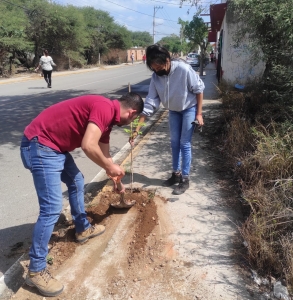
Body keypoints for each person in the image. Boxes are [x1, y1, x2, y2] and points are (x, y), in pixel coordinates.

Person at [20, 92, 144, 297]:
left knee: (77, 181)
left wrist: (117, 181)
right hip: (40, 144)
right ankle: (36, 270)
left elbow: (105, 156)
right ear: (132, 113)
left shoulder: (107, 122)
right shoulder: (103, 107)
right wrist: (109, 167)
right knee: (51, 209)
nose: (132, 122)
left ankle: (82, 228)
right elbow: (88, 145)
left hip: (54, 147)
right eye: (134, 119)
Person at [132, 44, 205, 195]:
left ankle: (185, 179)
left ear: (167, 60)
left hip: (189, 109)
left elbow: (199, 89)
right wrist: (136, 130)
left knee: (184, 143)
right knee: (174, 143)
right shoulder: (155, 77)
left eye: (158, 66)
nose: (156, 70)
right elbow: (151, 102)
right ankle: (175, 174)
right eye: (153, 68)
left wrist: (199, 114)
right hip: (173, 111)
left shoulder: (183, 70)